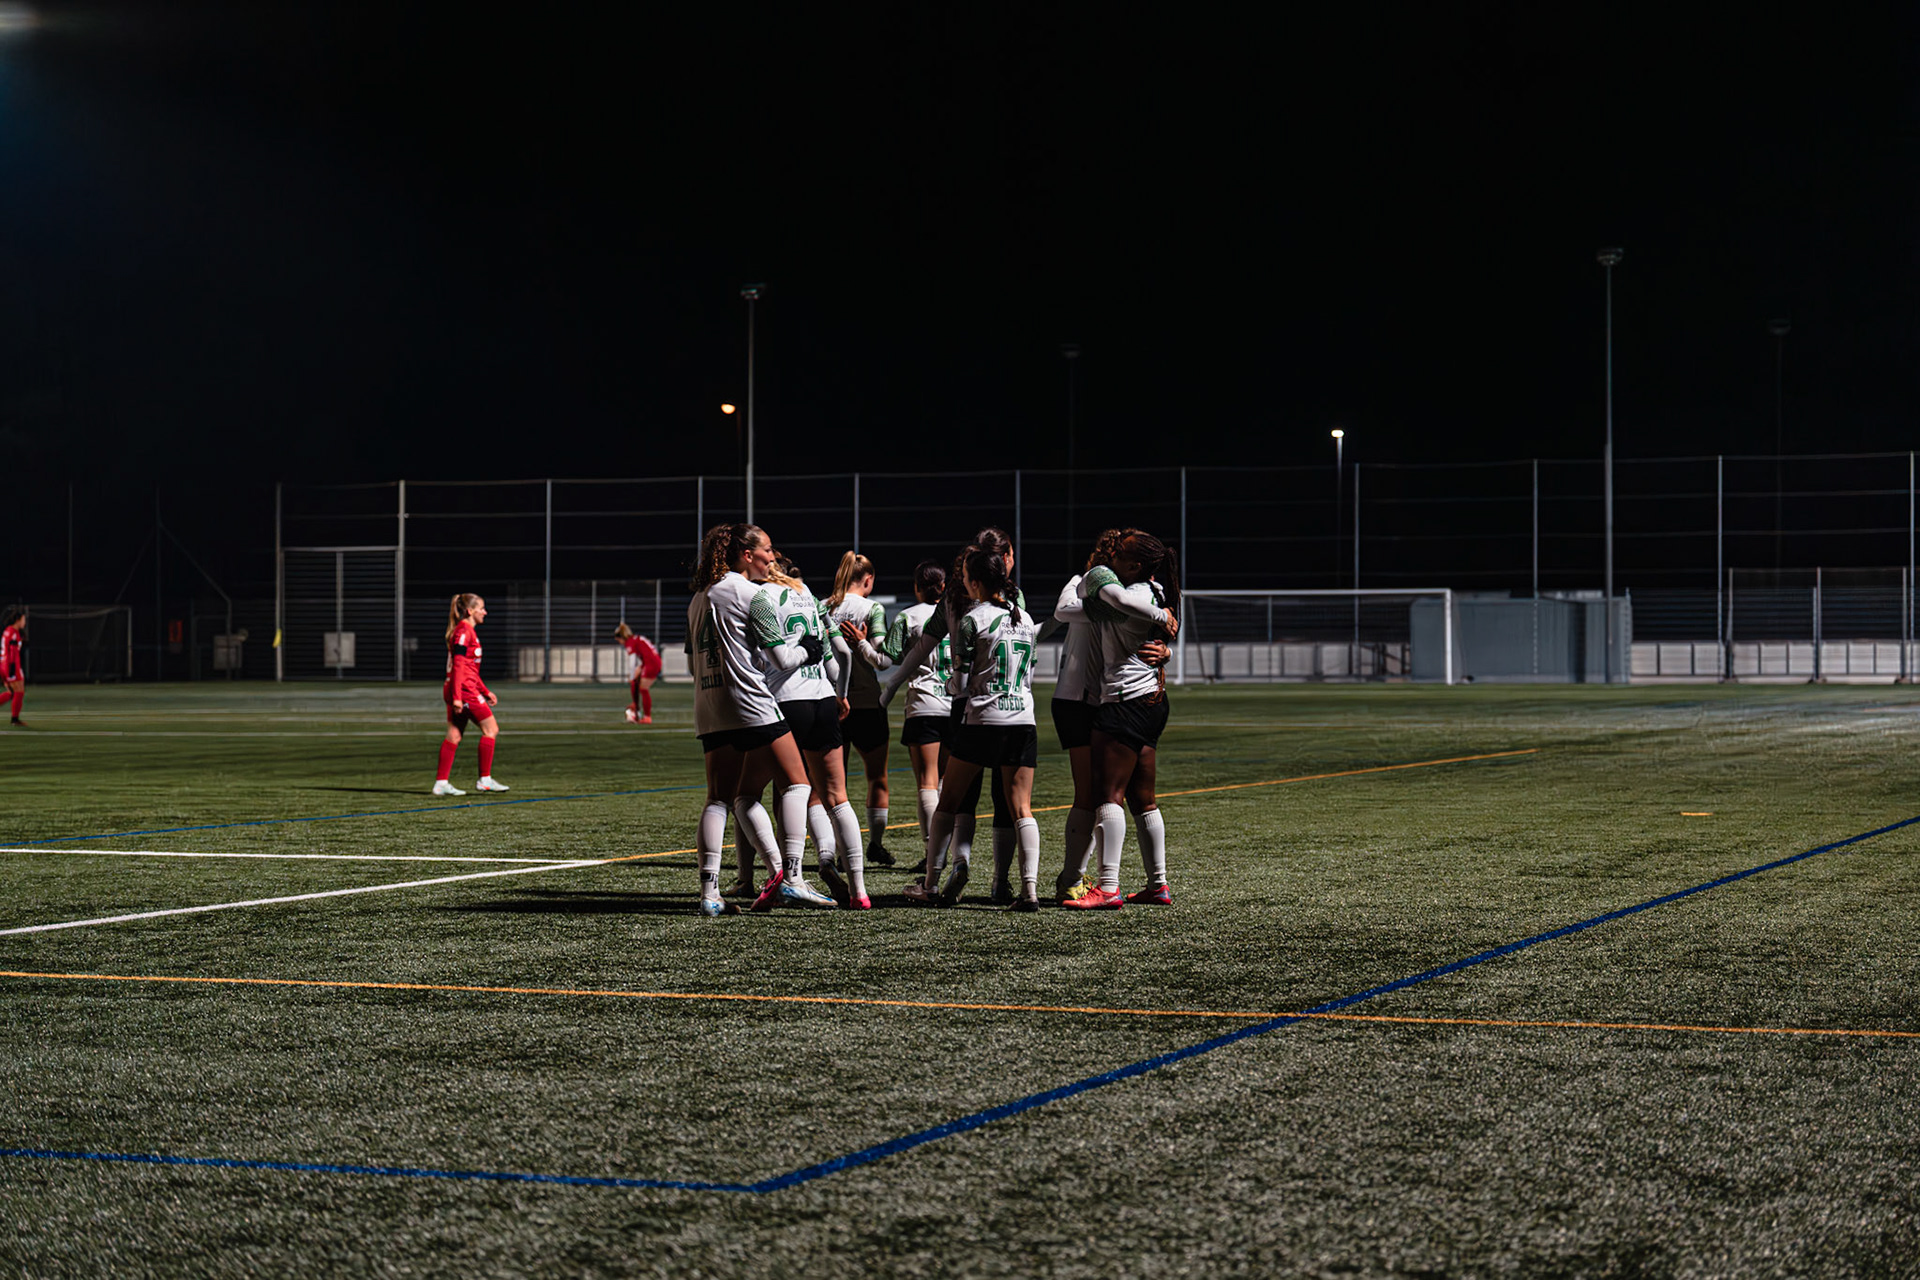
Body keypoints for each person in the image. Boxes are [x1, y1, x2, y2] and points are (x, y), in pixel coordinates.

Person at [685, 522, 836, 917]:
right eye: (767, 550)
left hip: (710, 704)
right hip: (751, 703)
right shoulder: (753, 595)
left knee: (721, 798)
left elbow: (690, 663)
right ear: (746, 555)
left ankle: (710, 893)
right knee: (799, 783)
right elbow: (781, 659)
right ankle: (793, 878)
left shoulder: (698, 598)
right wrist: (809, 648)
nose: (772, 557)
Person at [905, 543, 1044, 911]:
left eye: (966, 577)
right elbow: (1028, 675)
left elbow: (962, 685)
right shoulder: (1026, 619)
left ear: (977, 581)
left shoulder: (972, 619)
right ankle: (1029, 891)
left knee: (949, 801)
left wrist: (951, 686)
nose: (962, 582)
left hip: (982, 719)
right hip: (1022, 719)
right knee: (1021, 808)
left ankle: (931, 884)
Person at [739, 557, 869, 909]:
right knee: (837, 797)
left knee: (753, 794)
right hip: (823, 697)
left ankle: (789, 873)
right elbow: (837, 655)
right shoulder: (806, 592)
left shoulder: (761, 596)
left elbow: (777, 659)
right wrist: (840, 694)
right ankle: (859, 890)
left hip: (786, 701)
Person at [1064, 530, 1181, 911]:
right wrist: (1165, 627)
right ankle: (1157, 884)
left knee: (1107, 794)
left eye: (1121, 555)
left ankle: (1108, 886)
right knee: (1143, 798)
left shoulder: (1122, 596)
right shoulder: (1157, 589)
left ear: (1134, 566)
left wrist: (1162, 623)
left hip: (1124, 701)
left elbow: (1088, 599)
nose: (1111, 558)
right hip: (1153, 700)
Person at [859, 560, 950, 856]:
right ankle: (952, 855)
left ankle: (930, 856)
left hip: (924, 703)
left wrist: (862, 643)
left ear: (916, 587)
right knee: (947, 787)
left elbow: (886, 658)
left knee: (926, 782)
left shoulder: (908, 617)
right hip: (956, 705)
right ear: (944, 587)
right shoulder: (958, 614)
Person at [825, 551, 896, 866]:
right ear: (868, 580)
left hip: (831, 703)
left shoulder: (824, 606)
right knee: (877, 778)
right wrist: (863, 643)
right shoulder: (873, 608)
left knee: (832, 786)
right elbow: (880, 654)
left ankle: (838, 851)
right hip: (867, 702)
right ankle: (875, 845)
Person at [434, 594, 509, 796]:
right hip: (463, 690)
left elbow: (469, 670)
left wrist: (485, 691)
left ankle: (441, 783)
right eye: (481, 608)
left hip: (462, 688)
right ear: (470, 611)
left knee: (454, 735)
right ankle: (485, 779)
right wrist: (458, 696)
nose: (485, 612)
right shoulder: (465, 632)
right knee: (491, 729)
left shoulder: (466, 632)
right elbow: (458, 666)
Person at [614, 622, 662, 724]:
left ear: (622, 637)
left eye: (619, 641)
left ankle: (647, 717)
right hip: (651, 661)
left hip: (651, 663)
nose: (620, 643)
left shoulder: (630, 642)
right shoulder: (636, 639)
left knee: (643, 689)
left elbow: (632, 661)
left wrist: (631, 675)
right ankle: (636, 704)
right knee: (635, 682)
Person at [1, 607, 24, 725]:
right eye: (23, 619)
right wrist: (12, 669)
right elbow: (12, 652)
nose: (24, 622)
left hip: (5, 665)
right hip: (10, 666)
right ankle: (15, 719)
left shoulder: (7, 631)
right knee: (18, 691)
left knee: (12, 692)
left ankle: (15, 719)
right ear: (18, 620)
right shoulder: (13, 633)